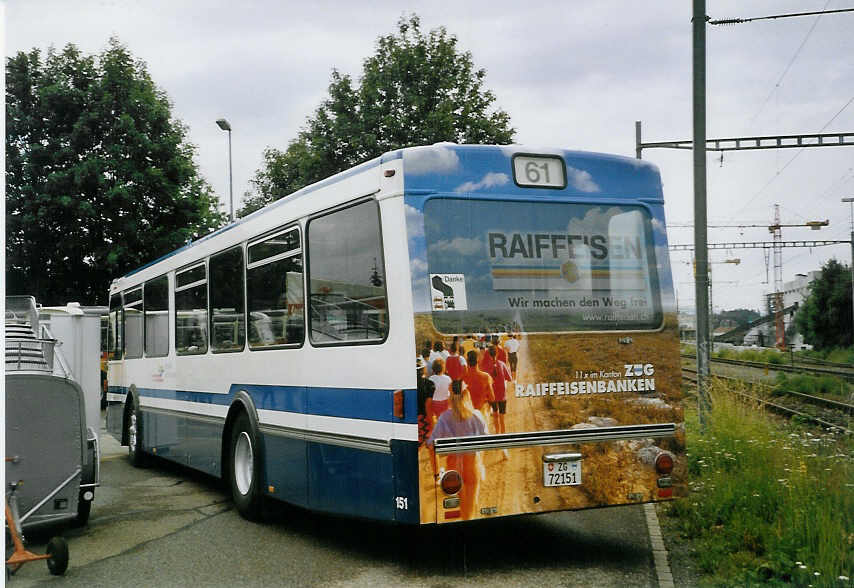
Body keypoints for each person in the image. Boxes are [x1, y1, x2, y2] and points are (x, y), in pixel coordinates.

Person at [427, 383, 486, 520]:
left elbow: (431, 444)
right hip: (472, 464)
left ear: (450, 398)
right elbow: (485, 438)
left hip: (453, 467)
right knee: (469, 508)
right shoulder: (476, 415)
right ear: (467, 395)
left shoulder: (444, 417)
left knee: (463, 504)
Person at [485, 346, 512, 435]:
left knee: (495, 416)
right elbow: (509, 378)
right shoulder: (502, 364)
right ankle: (503, 434)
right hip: (502, 394)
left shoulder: (486, 367)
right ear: (497, 354)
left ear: (489, 354)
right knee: (502, 417)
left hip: (492, 395)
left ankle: (497, 433)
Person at [463, 350, 494, 426]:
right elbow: (492, 398)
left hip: (467, 413)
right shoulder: (486, 377)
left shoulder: (463, 377)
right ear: (478, 361)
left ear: (467, 361)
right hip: (481, 412)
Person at [416, 356, 435, 445]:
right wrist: (432, 423)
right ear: (424, 369)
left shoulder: (406, 384)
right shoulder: (429, 384)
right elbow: (428, 405)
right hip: (423, 419)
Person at [428, 358, 452, 423]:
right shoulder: (448, 379)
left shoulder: (430, 379)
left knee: (438, 419)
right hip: (445, 402)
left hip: (434, 403)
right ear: (443, 368)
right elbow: (450, 391)